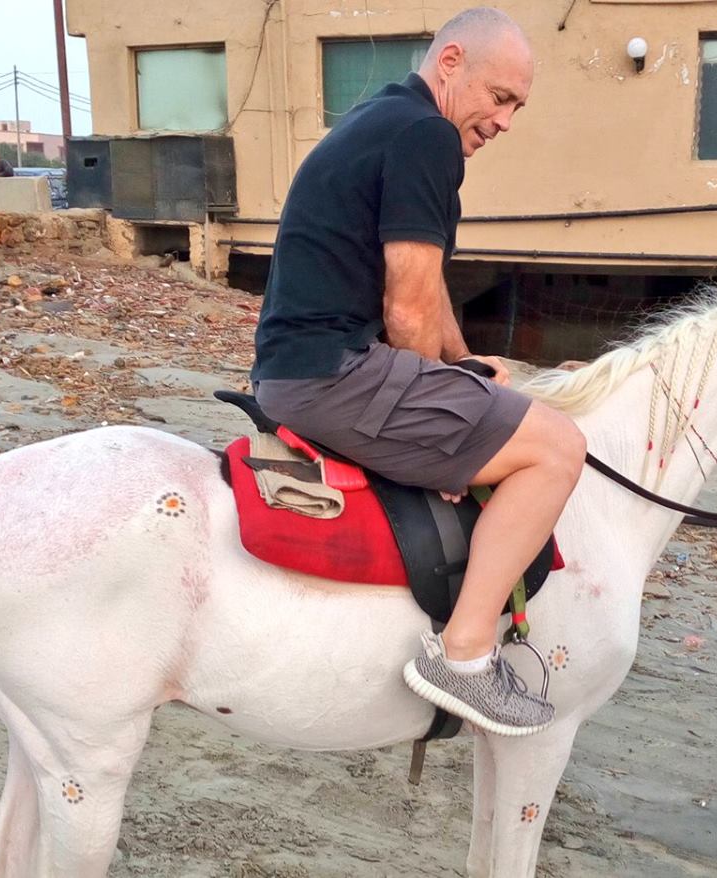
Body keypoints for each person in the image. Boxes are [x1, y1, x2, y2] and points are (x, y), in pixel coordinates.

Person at [251, 7, 586, 736]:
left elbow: (425, 292)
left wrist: (463, 368)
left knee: (501, 406)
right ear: (451, 61)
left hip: (298, 364)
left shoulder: (385, 119)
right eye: (500, 98)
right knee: (558, 448)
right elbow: (406, 313)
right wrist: (437, 414)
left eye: (518, 108)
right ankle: (462, 654)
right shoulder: (426, 136)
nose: (505, 122)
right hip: (334, 373)